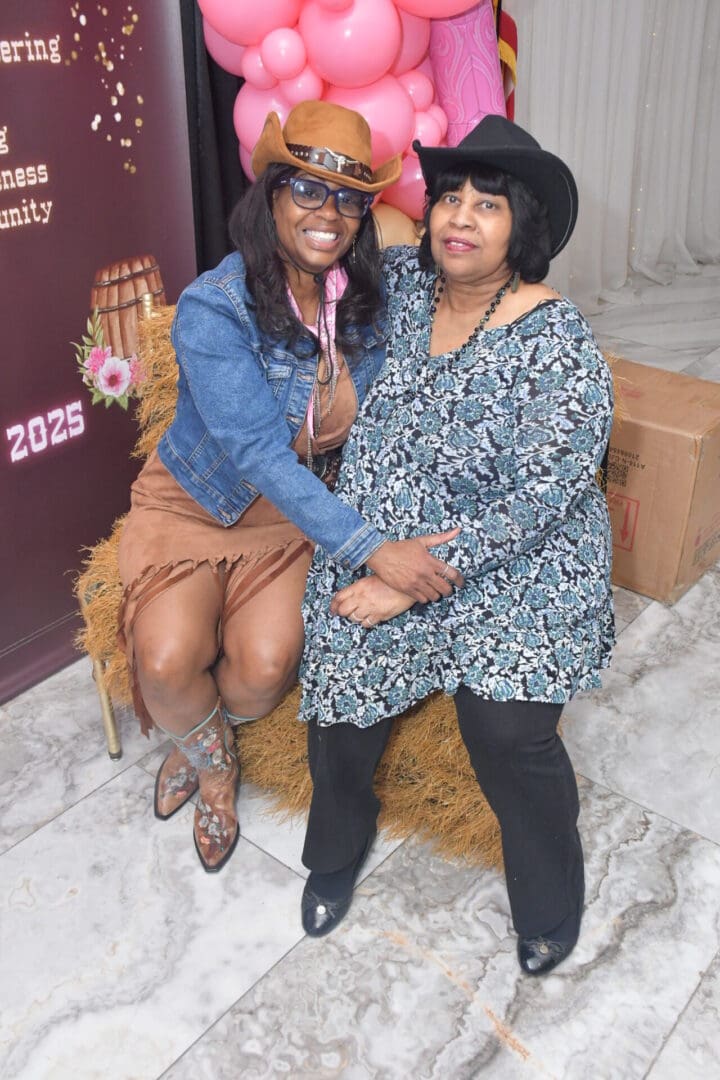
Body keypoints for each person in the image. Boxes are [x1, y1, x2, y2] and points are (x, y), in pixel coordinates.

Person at [297, 114, 615, 976]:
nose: (459, 218)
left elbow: (549, 491)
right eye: (448, 199)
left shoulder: (557, 339)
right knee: (338, 672)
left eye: (488, 204)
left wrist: (414, 579)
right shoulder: (398, 282)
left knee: (507, 730)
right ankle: (337, 846)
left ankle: (550, 897)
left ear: (525, 228)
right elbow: (305, 249)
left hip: (518, 561)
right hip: (389, 539)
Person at [117, 102, 462, 873]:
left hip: (298, 513)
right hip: (204, 499)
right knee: (169, 660)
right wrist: (375, 550)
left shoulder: (373, 292)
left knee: (266, 668)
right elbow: (257, 455)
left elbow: (460, 258)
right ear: (270, 193)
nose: (328, 213)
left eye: (348, 197)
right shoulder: (215, 309)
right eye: (307, 190)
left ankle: (203, 729)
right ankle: (209, 763)